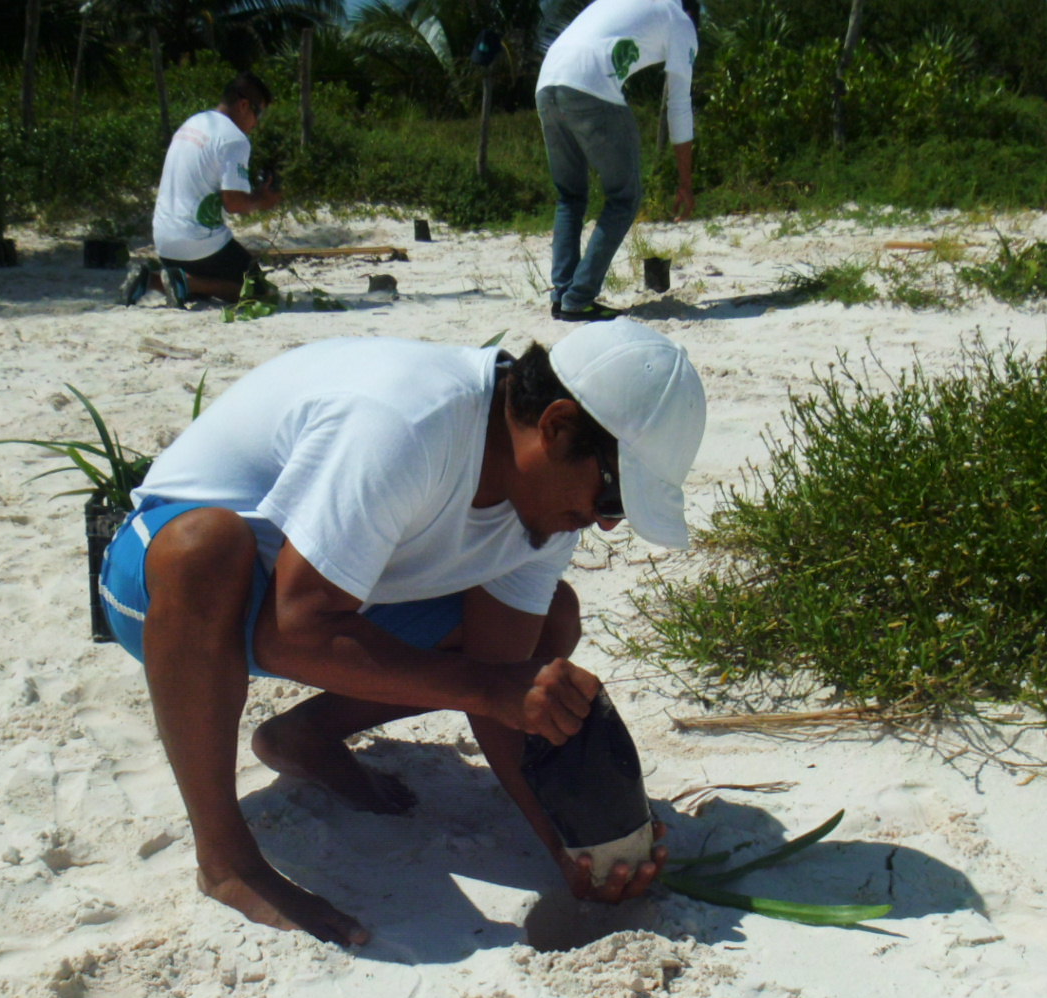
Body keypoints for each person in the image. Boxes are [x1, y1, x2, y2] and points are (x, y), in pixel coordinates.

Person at [94, 319, 706, 945]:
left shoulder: (547, 503)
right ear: (554, 426)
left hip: (318, 598)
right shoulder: (408, 424)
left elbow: (501, 684)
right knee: (206, 549)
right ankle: (225, 859)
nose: (605, 525)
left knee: (550, 623)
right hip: (168, 587)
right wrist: (494, 688)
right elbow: (292, 632)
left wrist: (574, 849)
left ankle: (306, 735)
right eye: (613, 496)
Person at [536, 0, 699, 323]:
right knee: (625, 197)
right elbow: (679, 105)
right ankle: (579, 298)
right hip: (591, 85)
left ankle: (562, 294)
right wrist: (686, 183)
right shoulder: (680, 20)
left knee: (570, 195)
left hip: (547, 81)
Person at [121, 72, 283, 309]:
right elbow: (234, 203)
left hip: (164, 242)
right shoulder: (234, 139)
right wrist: (263, 199)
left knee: (220, 283)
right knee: (261, 293)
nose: (257, 123)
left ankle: (157, 280)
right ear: (244, 105)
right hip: (199, 245)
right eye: (258, 113)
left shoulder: (194, 122)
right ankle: (181, 283)